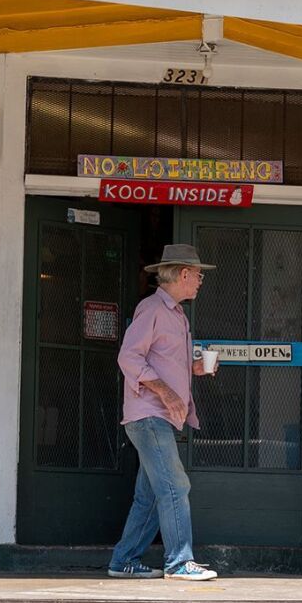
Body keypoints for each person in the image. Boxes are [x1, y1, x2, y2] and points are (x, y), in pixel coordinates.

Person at [107, 243, 218, 581]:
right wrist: (166, 392)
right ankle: (180, 562)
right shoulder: (153, 308)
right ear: (183, 274)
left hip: (159, 417)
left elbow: (161, 362)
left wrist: (193, 369)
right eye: (198, 275)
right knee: (175, 485)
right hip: (149, 415)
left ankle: (123, 560)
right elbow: (129, 358)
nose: (200, 281)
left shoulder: (176, 314)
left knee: (153, 493)